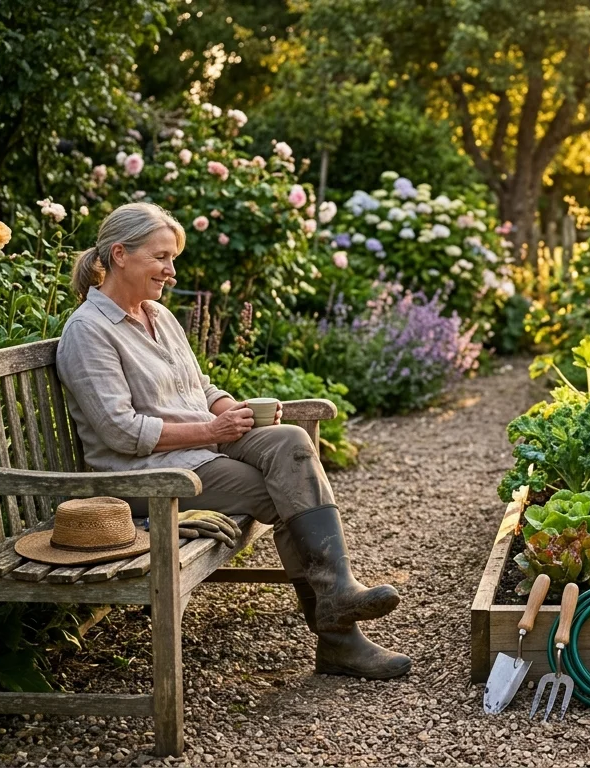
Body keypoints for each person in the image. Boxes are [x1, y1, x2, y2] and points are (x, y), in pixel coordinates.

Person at [56, 202, 410, 680]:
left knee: (288, 441)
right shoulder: (88, 331)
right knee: (284, 492)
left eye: (172, 258)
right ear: (120, 254)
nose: (171, 270)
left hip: (200, 448)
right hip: (146, 476)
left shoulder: (159, 316)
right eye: (161, 257)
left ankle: (339, 593)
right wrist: (212, 430)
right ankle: (339, 639)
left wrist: (231, 410)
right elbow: (121, 431)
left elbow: (199, 388)